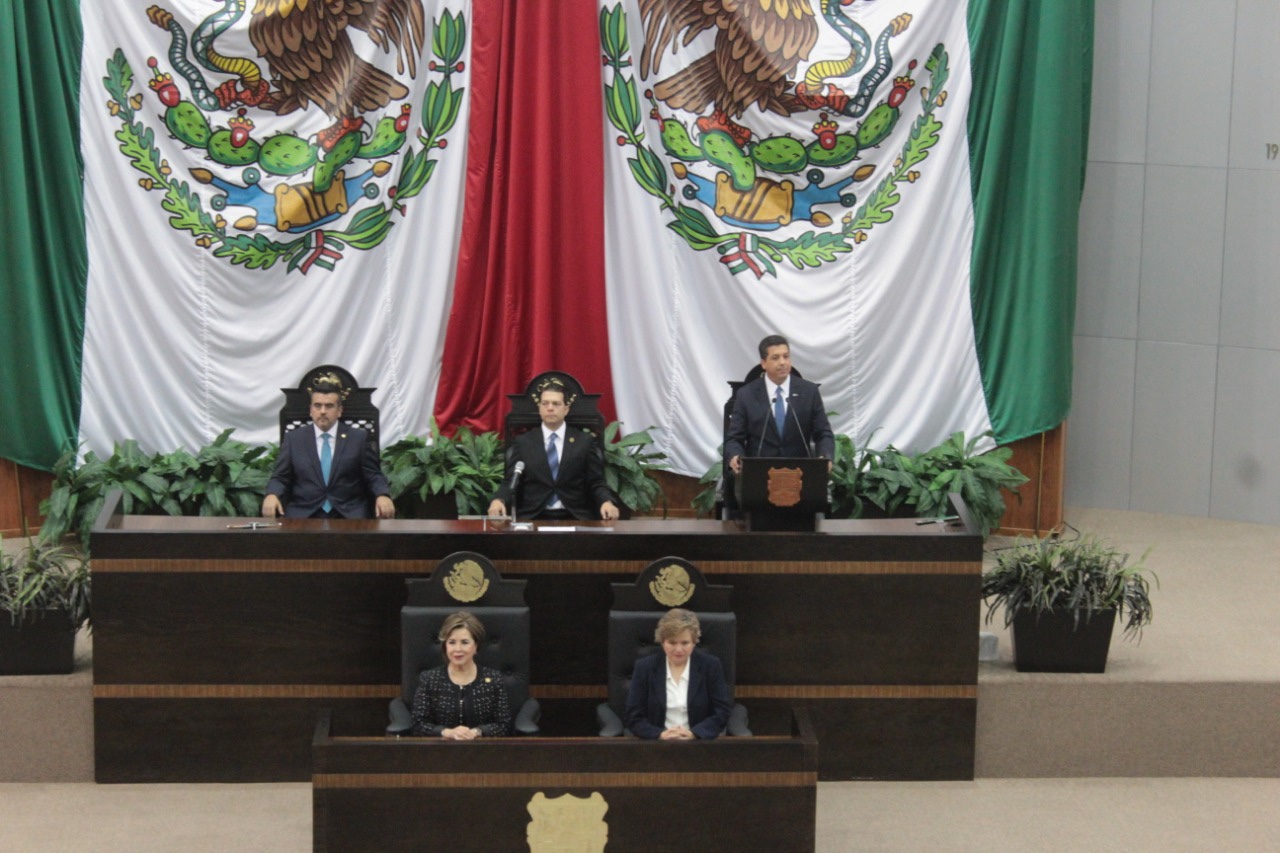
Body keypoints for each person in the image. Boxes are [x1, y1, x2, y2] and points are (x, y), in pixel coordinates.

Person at [262, 374, 395, 519]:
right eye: (317, 406)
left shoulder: (358, 438)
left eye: (329, 406)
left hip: (348, 514)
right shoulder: (294, 439)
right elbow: (281, 477)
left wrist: (382, 495)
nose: (323, 411)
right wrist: (272, 494)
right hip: (305, 514)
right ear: (310, 410)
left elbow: (373, 475)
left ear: (339, 410)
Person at [487, 381, 620, 521]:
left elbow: (595, 482)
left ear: (566, 409)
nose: (550, 408)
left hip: (574, 516)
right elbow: (511, 481)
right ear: (539, 408)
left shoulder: (584, 442)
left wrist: (606, 502)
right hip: (533, 517)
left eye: (556, 404)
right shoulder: (523, 442)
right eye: (545, 403)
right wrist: (498, 500)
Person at [724, 334, 835, 474]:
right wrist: (735, 456)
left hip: (799, 473)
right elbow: (734, 438)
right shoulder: (746, 395)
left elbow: (823, 433)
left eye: (786, 356)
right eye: (775, 358)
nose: (782, 362)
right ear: (763, 363)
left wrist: (825, 456)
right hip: (759, 473)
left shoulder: (809, 392)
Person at [624, 608, 733, 740]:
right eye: (672, 642)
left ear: (694, 642)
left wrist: (695, 733)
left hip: (698, 743)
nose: (678, 649)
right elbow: (633, 716)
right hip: (657, 744)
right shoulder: (645, 667)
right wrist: (659, 734)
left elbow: (722, 712)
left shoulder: (710, 666)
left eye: (685, 643)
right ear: (662, 642)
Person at [411, 611, 513, 738]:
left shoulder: (493, 679)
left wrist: (476, 732)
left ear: (476, 646)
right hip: (441, 747)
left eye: (464, 642)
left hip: (482, 747)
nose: (457, 649)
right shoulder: (430, 679)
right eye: (452, 642)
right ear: (445, 646)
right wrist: (447, 732)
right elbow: (418, 725)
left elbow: (504, 725)